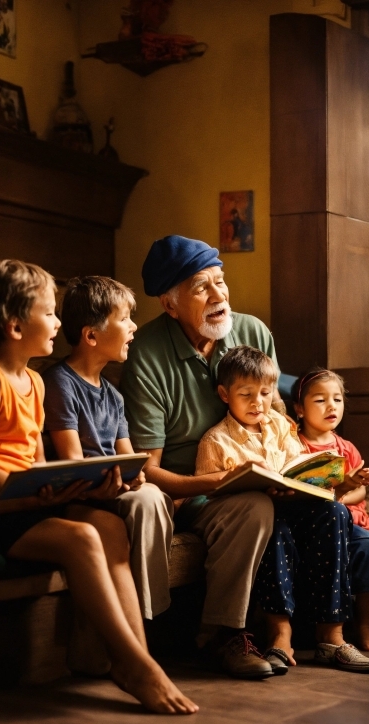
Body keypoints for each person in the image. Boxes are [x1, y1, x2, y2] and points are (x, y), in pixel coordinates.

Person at [0, 259, 197, 715]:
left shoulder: (36, 382)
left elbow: (39, 463)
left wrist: (57, 489)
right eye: (49, 312)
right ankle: (135, 666)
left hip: (28, 503)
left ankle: (136, 658)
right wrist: (32, 489)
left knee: (110, 527)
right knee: (82, 536)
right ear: (15, 325)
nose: (59, 321)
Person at [121, 235, 287, 679]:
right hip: (185, 491)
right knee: (248, 505)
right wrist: (215, 483)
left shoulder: (252, 332)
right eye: (202, 287)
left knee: (273, 505)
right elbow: (147, 469)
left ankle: (251, 635)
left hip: (249, 479)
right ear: (170, 304)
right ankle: (200, 636)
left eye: (221, 281)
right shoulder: (146, 354)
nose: (219, 296)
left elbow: (277, 416)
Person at [195, 346, 369, 674]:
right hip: (261, 511)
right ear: (224, 394)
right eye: (246, 394)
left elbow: (298, 462)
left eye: (266, 393)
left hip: (295, 502)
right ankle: (280, 633)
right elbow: (212, 495)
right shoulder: (216, 440)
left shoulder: (280, 425)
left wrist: (325, 479)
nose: (258, 403)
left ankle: (332, 637)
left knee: (334, 513)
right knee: (271, 519)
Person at [42, 275, 175, 623]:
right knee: (147, 502)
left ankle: (147, 616)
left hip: (107, 489)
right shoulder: (59, 383)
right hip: (75, 496)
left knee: (152, 496)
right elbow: (71, 461)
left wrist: (134, 478)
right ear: (91, 335)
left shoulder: (113, 395)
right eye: (125, 318)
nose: (133, 327)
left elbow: (131, 461)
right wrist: (121, 479)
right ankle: (143, 623)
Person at [293, 368, 369, 652]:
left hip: (350, 519)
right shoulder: (294, 445)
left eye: (337, 400)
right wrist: (331, 496)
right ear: (299, 409)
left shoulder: (345, 447)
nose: (331, 407)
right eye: (320, 400)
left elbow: (361, 490)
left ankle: (364, 626)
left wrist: (344, 494)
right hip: (316, 523)